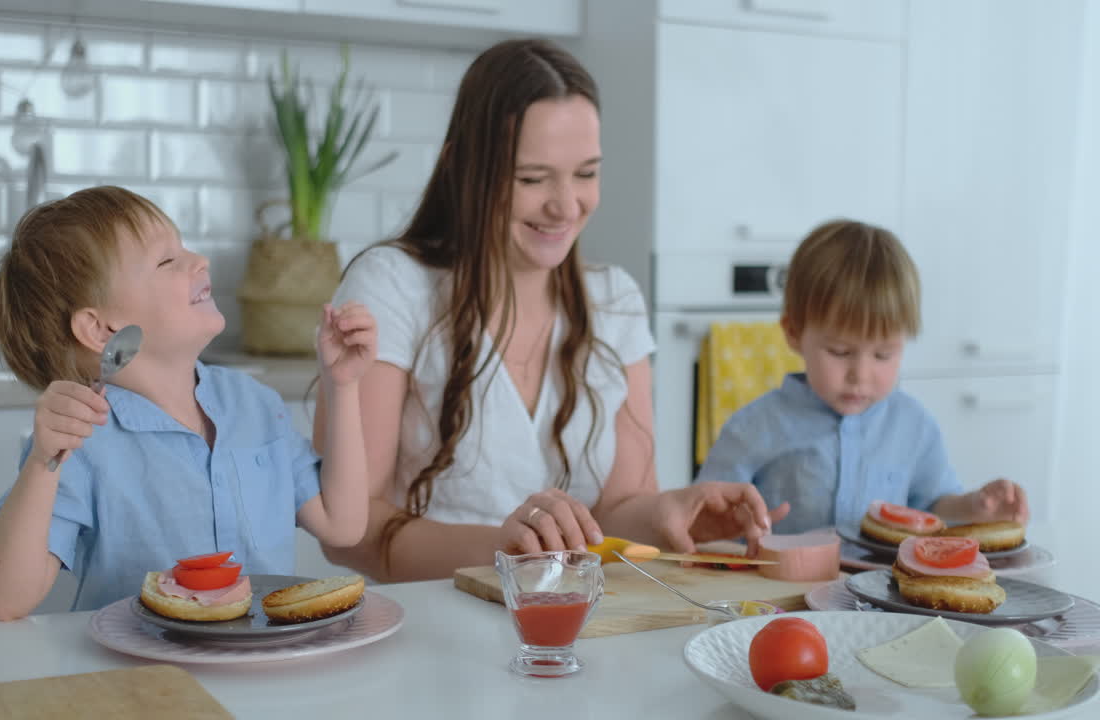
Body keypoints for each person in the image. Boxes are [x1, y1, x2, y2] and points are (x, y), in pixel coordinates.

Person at [313, 38, 788, 583]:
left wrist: (667, 514)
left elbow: (616, 511)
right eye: (532, 179)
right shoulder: (392, 286)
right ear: (462, 169)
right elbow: (352, 535)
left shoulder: (615, 303)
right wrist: (505, 549)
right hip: (429, 632)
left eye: (586, 173)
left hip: (580, 626)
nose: (566, 205)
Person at [0, 186, 377, 620]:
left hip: (263, 670)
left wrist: (342, 386)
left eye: (183, 247)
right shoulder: (79, 439)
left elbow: (344, 524)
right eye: (167, 260)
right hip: (142, 680)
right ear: (100, 329)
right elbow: (6, 600)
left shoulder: (254, 404)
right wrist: (42, 464)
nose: (199, 260)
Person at [695, 219, 1031, 533]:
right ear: (794, 333)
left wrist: (974, 507)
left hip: (881, 594)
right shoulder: (754, 426)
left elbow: (932, 506)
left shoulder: (914, 426)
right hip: (776, 594)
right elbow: (703, 517)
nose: (861, 375)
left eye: (884, 355)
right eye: (840, 352)